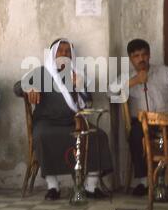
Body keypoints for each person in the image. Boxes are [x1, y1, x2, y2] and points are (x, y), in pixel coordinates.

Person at [14, 38, 113, 200]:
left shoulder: (77, 75)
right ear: (53, 54)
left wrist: (80, 87)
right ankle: (53, 186)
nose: (64, 54)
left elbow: (87, 102)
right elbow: (17, 87)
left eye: (68, 51)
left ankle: (91, 186)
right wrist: (29, 87)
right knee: (42, 136)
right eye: (60, 51)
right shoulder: (42, 73)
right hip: (46, 122)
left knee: (98, 136)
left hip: (73, 122)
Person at [109, 39, 168, 196]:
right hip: (142, 124)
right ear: (130, 58)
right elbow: (111, 93)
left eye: (144, 55)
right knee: (135, 136)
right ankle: (143, 182)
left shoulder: (164, 72)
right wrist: (134, 82)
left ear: (149, 55)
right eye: (136, 56)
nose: (141, 59)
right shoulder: (126, 77)